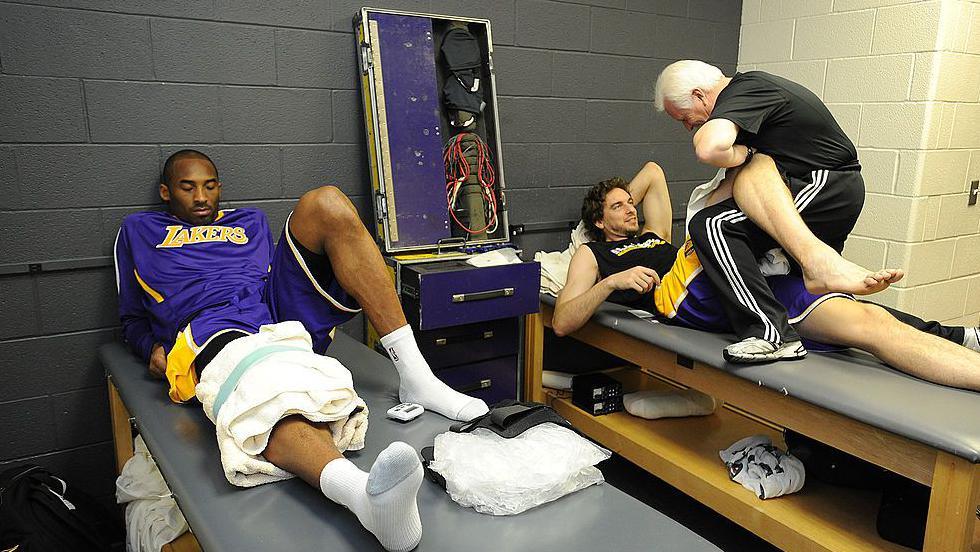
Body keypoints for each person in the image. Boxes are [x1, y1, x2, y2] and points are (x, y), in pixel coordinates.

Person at [114, 150, 491, 551]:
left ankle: (417, 377)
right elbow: (132, 319)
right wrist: (150, 348)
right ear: (166, 191)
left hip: (270, 307)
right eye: (188, 188)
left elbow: (272, 271)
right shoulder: (139, 230)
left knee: (325, 202)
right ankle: (363, 497)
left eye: (209, 186)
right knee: (267, 390)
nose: (201, 196)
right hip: (209, 327)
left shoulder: (250, 220)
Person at [553, 163, 980, 392]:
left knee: (869, 324)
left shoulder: (654, 234)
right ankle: (810, 250)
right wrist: (611, 283)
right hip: (684, 292)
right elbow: (562, 321)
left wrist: (618, 194)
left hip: (743, 278)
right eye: (618, 206)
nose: (631, 208)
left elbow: (653, 172)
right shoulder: (594, 254)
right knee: (730, 192)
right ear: (597, 219)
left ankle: (808, 261)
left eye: (632, 202)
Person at [653, 60, 904, 362]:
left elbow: (708, 148)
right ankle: (956, 336)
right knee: (827, 303)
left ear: (699, 95)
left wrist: (743, 153)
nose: (688, 126)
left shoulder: (745, 89)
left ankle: (770, 334)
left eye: (684, 118)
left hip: (825, 183)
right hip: (817, 189)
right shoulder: (745, 107)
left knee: (714, 225)